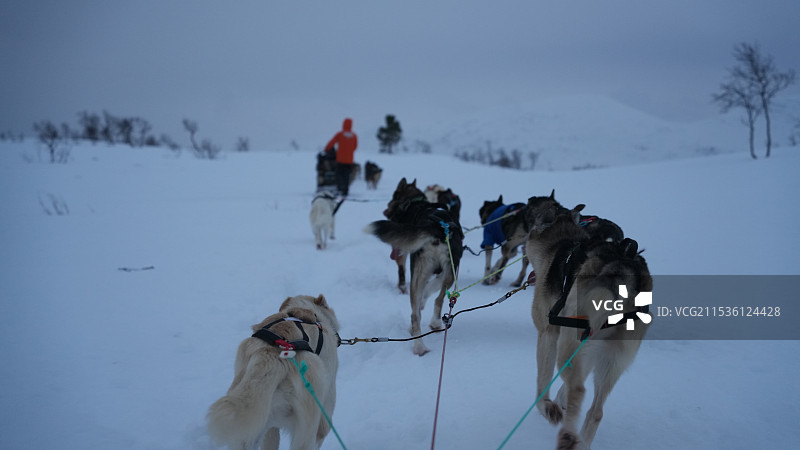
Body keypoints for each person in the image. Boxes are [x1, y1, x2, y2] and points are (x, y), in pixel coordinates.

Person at [324, 118, 358, 196]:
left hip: (340, 159)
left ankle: (340, 189)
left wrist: (327, 149)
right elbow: (355, 147)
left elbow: (331, 143)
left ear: (343, 124)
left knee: (339, 174)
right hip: (349, 160)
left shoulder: (340, 134)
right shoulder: (354, 136)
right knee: (346, 176)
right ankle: (345, 190)